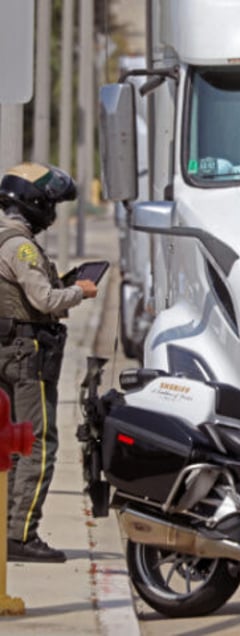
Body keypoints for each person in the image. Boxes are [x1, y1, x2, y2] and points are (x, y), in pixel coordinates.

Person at [0, 162, 98, 562]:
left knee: (8, 444)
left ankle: (7, 528)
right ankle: (21, 535)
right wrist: (79, 291)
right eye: (51, 206)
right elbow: (44, 301)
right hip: (27, 357)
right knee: (37, 444)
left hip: (8, 350)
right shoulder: (20, 246)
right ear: (35, 204)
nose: (53, 215)